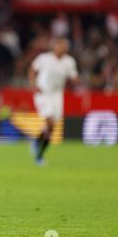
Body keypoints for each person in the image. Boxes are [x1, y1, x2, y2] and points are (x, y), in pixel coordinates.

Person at [29, 37, 79, 166]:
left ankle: (37, 141)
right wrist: (34, 84)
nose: (62, 48)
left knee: (51, 128)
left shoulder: (69, 62)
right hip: (43, 93)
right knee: (50, 122)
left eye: (64, 46)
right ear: (54, 47)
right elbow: (32, 70)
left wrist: (77, 82)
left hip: (57, 95)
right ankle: (39, 157)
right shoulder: (44, 58)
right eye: (60, 46)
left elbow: (74, 77)